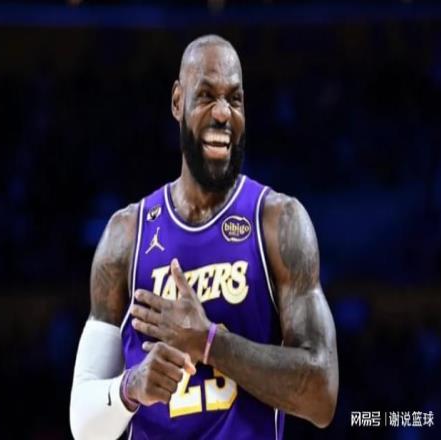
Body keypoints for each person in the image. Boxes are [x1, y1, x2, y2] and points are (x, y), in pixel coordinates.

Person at [70, 34, 338, 440]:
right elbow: (83, 425)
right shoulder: (126, 235)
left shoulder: (278, 222)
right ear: (177, 102)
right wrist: (130, 387)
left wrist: (209, 342)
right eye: (207, 96)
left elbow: (322, 395)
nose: (223, 113)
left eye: (235, 98)